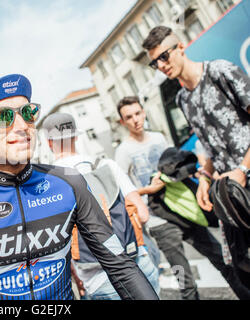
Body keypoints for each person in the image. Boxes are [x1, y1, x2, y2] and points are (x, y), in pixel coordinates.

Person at [0, 73, 159, 300]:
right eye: (3, 116)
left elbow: (121, 267)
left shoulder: (70, 182)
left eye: (28, 113)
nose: (22, 125)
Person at [142, 25, 250, 291]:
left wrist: (243, 169)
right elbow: (210, 144)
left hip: (245, 177)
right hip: (230, 193)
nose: (161, 65)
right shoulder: (182, 99)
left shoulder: (220, 71)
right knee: (242, 267)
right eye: (154, 62)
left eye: (164, 56)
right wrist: (203, 177)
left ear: (181, 47)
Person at [115, 96, 249, 299]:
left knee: (223, 262)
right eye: (129, 117)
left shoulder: (159, 138)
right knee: (186, 282)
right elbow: (123, 191)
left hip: (186, 210)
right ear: (122, 122)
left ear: (144, 112)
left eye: (137, 113)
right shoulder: (123, 152)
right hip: (159, 221)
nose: (135, 120)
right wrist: (147, 190)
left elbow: (176, 166)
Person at [42, 112, 160, 300]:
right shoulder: (105, 165)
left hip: (96, 278)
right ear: (75, 136)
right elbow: (143, 214)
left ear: (49, 143)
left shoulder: (48, 183)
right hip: (136, 264)